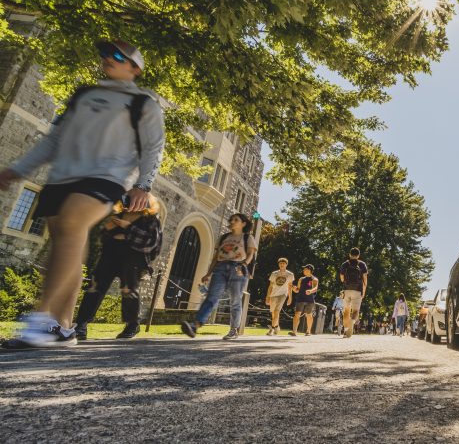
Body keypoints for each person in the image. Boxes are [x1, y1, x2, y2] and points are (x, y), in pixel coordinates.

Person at [1, 40, 164, 350]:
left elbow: (154, 147)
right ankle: (62, 327)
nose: (108, 58)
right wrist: (18, 169)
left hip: (107, 177)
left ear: (135, 67)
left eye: (118, 55)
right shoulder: (84, 95)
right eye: (105, 53)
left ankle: (40, 317)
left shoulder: (144, 103)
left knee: (72, 226)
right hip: (63, 176)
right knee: (65, 240)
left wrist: (143, 185)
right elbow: (54, 140)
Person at [74, 193, 162, 340]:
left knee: (129, 290)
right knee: (95, 288)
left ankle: (132, 325)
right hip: (110, 255)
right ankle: (81, 324)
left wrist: (127, 229)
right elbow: (104, 236)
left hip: (133, 259)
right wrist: (109, 230)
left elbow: (151, 243)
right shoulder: (119, 214)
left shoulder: (150, 220)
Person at [181, 213, 257, 341]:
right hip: (220, 268)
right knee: (211, 297)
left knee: (235, 301)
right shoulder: (223, 238)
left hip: (237, 268)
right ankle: (196, 325)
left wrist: (244, 265)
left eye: (236, 220)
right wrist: (208, 273)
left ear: (243, 224)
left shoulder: (247, 238)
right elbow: (216, 257)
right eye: (231, 219)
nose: (232, 221)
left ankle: (233, 330)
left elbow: (250, 254)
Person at [339, 247, 368, 338]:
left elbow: (342, 278)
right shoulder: (362, 264)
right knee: (355, 311)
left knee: (346, 312)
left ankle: (346, 331)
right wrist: (364, 291)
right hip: (357, 290)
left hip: (346, 290)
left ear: (349, 254)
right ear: (358, 255)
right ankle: (352, 321)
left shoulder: (345, 264)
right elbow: (365, 280)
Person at [265, 258, 294, 335]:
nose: (282, 265)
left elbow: (290, 286)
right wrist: (267, 297)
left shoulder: (290, 275)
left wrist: (290, 298)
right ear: (278, 264)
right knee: (273, 313)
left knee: (277, 311)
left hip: (283, 294)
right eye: (280, 263)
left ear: (286, 264)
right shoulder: (274, 274)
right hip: (273, 294)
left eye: (283, 263)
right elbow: (270, 286)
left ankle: (272, 329)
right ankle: (277, 326)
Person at [290, 264, 318, 336]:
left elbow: (315, 288)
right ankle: (294, 331)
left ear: (309, 270)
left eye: (305, 269)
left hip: (310, 299)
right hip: (300, 298)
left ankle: (308, 331)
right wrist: (294, 288)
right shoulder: (301, 279)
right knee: (297, 314)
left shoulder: (314, 279)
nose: (303, 270)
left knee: (309, 315)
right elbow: (297, 290)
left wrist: (310, 291)